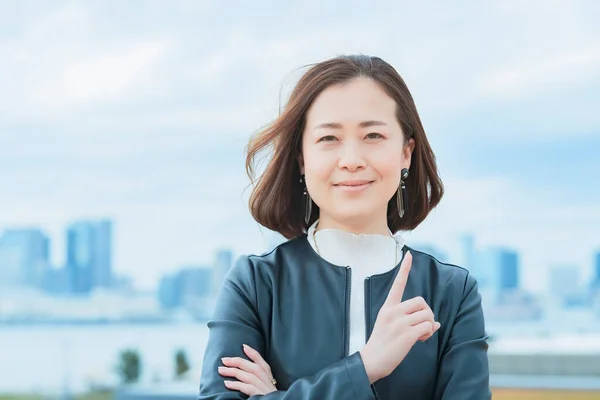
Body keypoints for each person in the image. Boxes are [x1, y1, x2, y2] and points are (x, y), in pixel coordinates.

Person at [198, 54, 491, 399]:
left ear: (406, 153)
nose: (351, 160)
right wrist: (366, 367)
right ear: (302, 159)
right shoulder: (256, 285)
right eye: (329, 139)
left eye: (373, 135)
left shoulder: (451, 293)